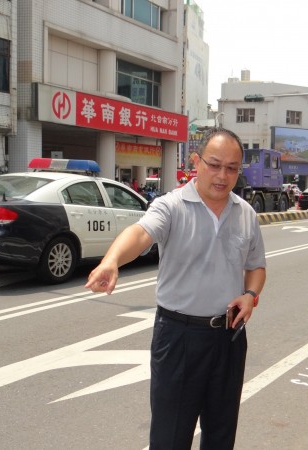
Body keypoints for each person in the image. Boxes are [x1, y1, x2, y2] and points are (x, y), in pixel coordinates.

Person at [85, 127, 267, 449]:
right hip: (179, 338)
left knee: (221, 436)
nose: (222, 175)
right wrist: (112, 260)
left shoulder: (246, 215)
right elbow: (140, 233)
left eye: (232, 168)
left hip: (229, 337)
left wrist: (251, 295)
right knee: (170, 438)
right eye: (214, 164)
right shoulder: (171, 206)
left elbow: (256, 266)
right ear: (196, 162)